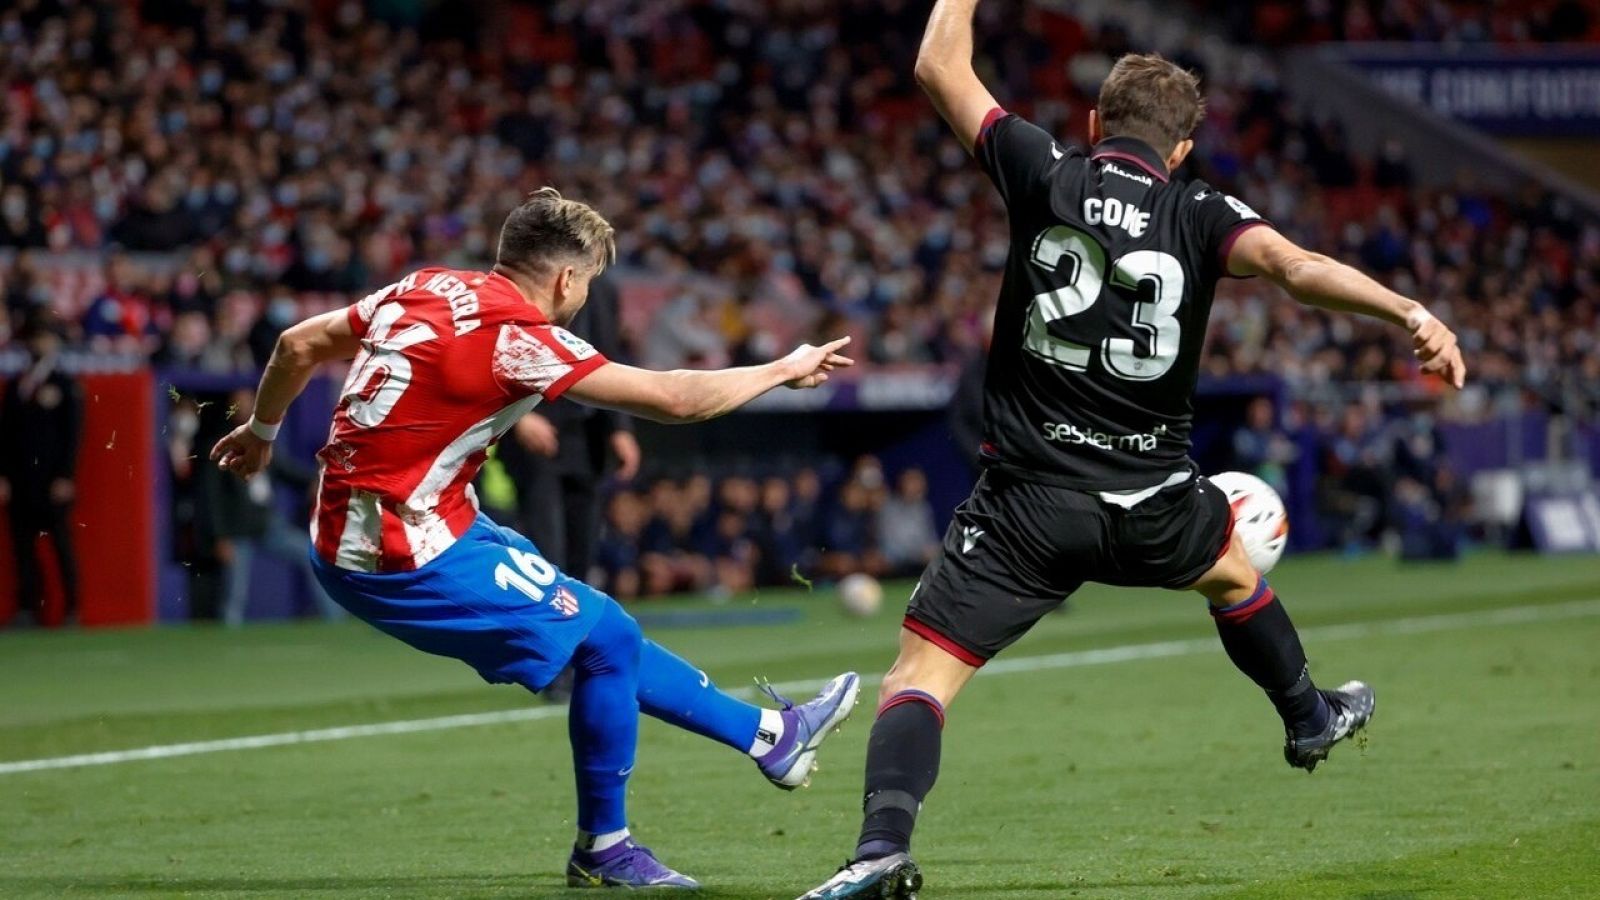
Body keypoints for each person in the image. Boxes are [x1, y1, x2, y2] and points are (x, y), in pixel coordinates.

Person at [795, 6, 1466, 897]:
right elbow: (1299, 268)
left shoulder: (1042, 168)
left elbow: (936, 66)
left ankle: (883, 847)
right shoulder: (1201, 210)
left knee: (920, 675)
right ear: (1183, 149)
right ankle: (1308, 717)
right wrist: (1411, 314)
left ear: (1093, 124)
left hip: (1026, 502)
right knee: (1232, 571)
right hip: (1152, 499)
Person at [210, 187, 861, 890]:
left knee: (603, 636)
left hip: (383, 520)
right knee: (606, 633)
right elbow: (676, 400)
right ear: (566, 279)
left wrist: (262, 433)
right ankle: (608, 848)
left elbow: (297, 343)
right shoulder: (523, 339)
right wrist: (782, 369)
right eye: (590, 283)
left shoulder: (424, 285)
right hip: (401, 549)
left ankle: (770, 738)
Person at [0, 313, 82, 627]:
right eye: (34, 338)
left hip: (51, 480)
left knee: (61, 545)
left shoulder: (64, 384)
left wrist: (65, 475)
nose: (38, 344)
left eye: (44, 338)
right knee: (22, 548)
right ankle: (28, 609)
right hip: (21, 480)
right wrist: (4, 475)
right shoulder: (17, 385)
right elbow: (5, 434)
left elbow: (73, 434)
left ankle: (71, 608)